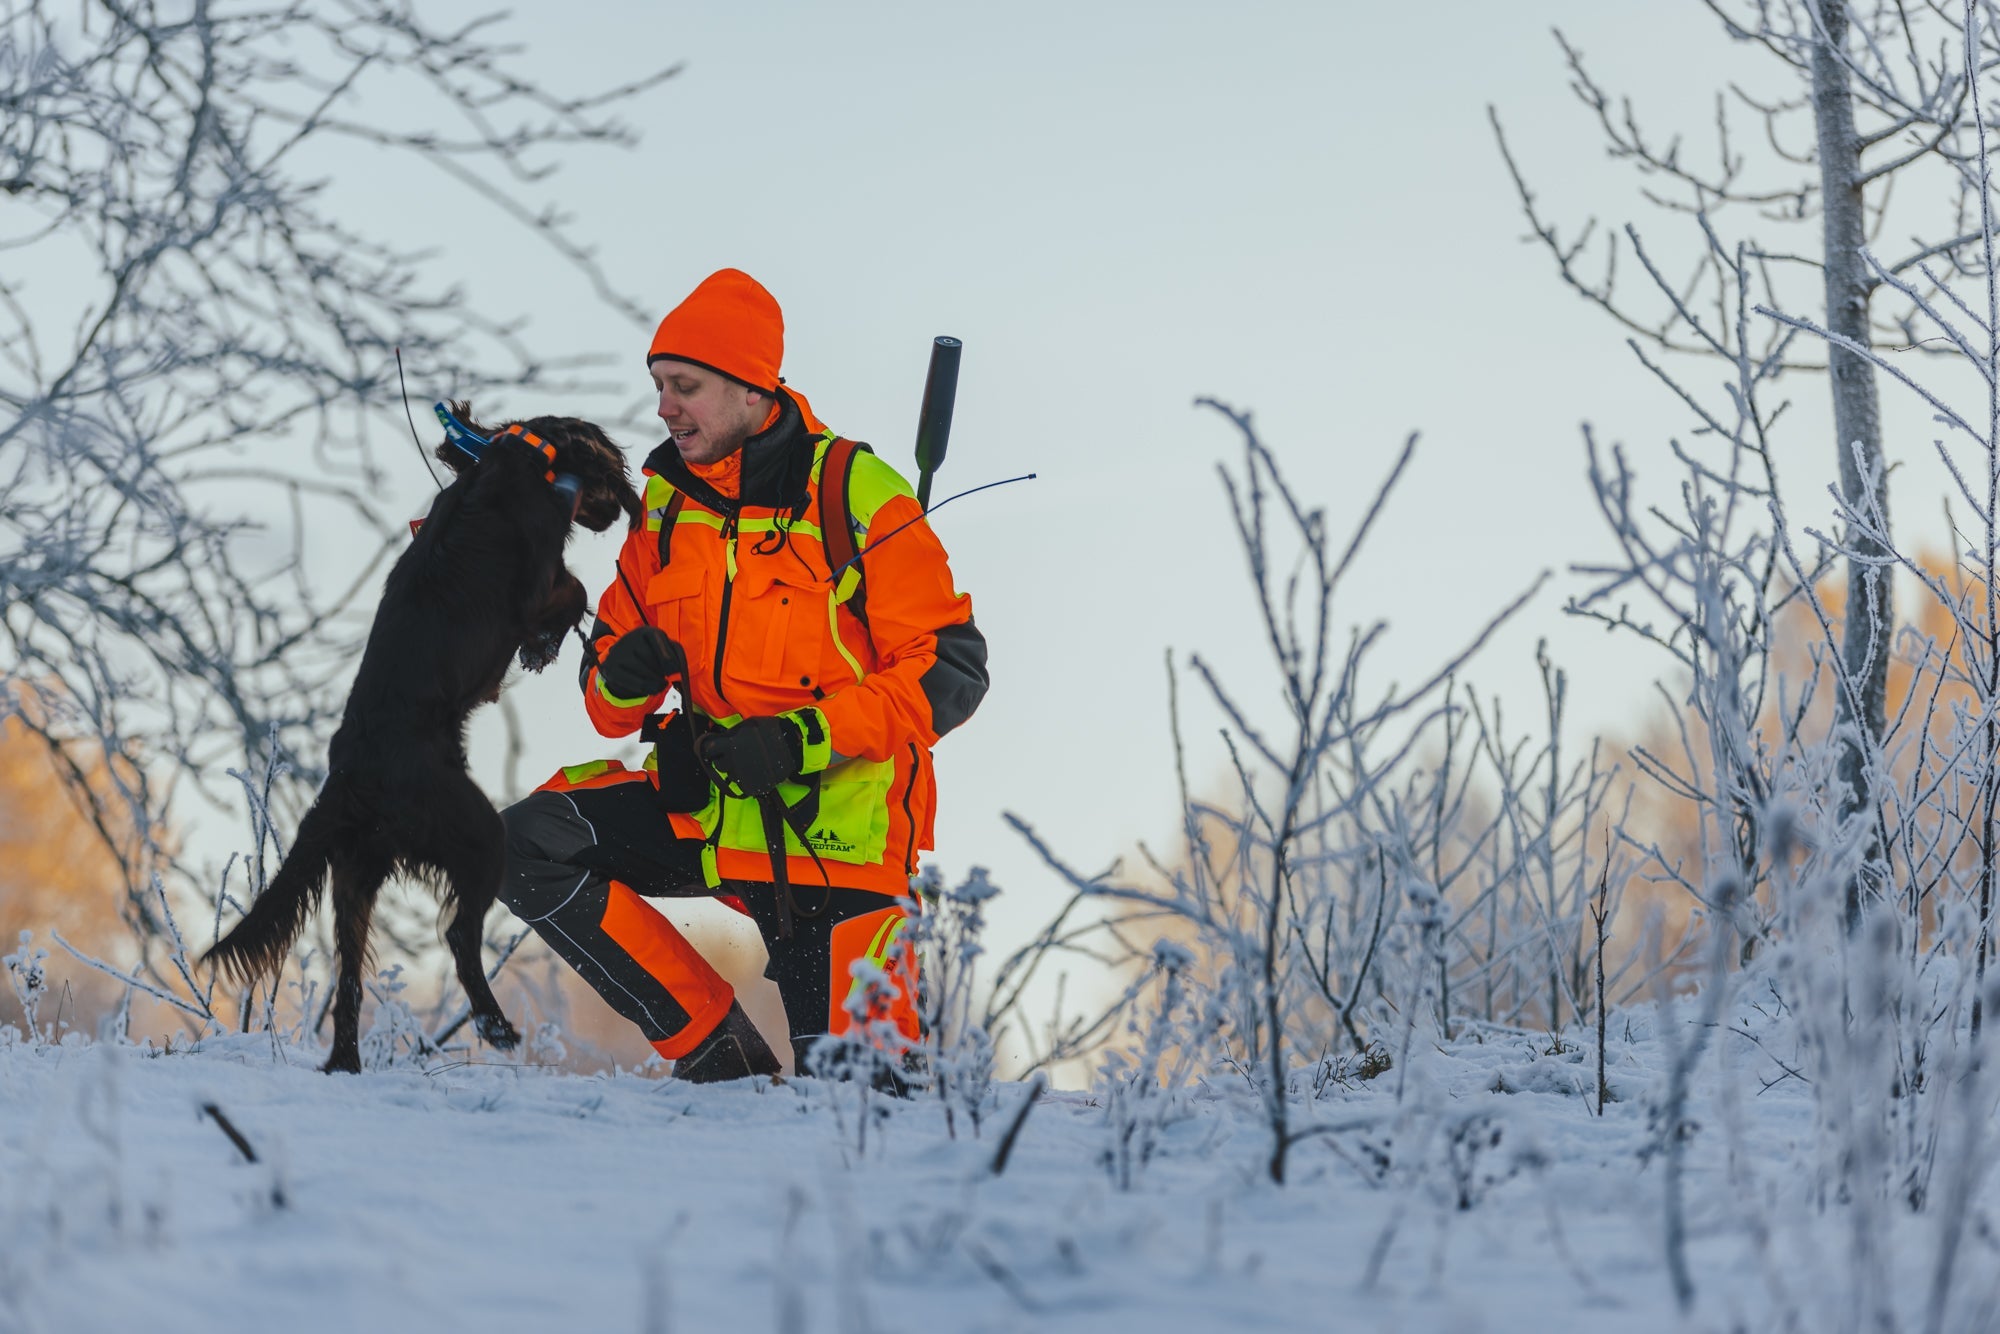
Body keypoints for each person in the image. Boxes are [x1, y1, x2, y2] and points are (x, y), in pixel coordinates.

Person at [497, 269, 989, 1080]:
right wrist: (627, 673)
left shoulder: (853, 492)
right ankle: (721, 1064)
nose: (665, 407)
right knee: (522, 844)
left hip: (839, 848)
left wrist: (804, 740)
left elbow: (952, 672)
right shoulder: (666, 510)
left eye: (685, 386)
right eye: (659, 386)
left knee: (866, 1109)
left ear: (752, 388)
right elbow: (608, 708)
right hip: (714, 816)